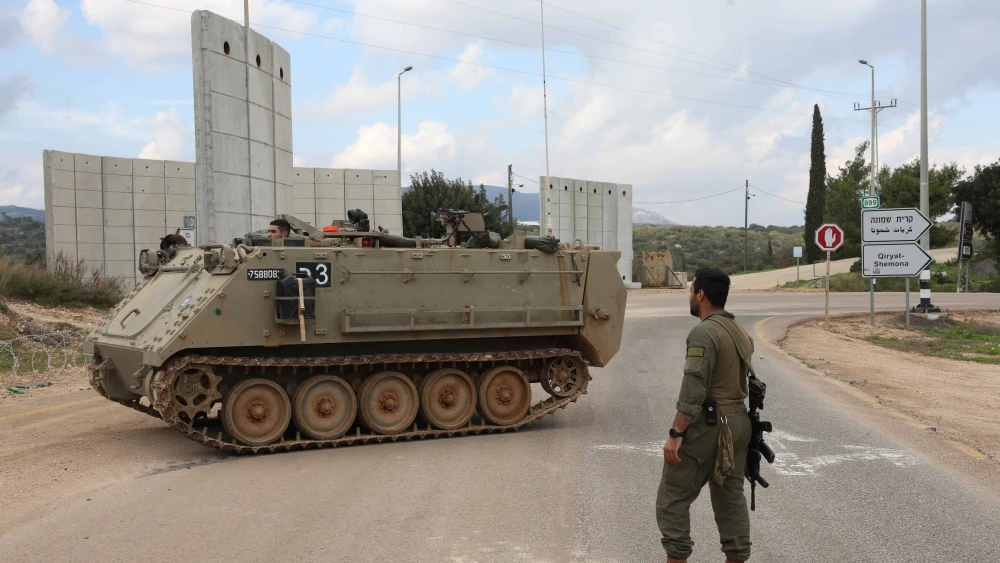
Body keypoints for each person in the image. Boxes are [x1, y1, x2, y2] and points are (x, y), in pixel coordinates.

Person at [656, 267, 754, 563]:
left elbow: (693, 388)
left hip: (712, 426)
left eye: (691, 291)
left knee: (672, 498)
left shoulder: (704, 331)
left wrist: (676, 434)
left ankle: (677, 557)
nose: (689, 296)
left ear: (701, 295)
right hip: (738, 422)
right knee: (730, 499)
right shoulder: (737, 330)